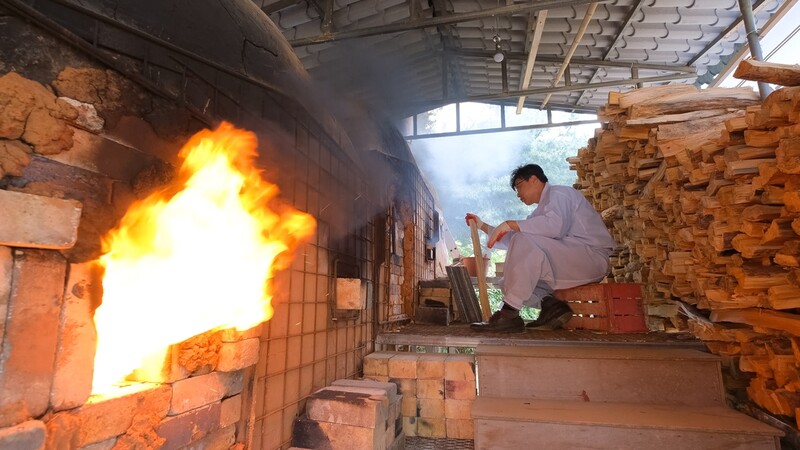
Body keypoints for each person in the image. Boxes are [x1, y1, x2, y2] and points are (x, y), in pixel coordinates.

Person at [466, 163, 617, 333]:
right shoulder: (540, 212)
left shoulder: (560, 193)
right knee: (507, 282)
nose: (518, 195)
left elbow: (555, 227)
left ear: (534, 179)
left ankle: (509, 314)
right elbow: (514, 241)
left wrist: (511, 224)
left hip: (591, 257)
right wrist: (481, 225)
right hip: (573, 259)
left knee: (523, 240)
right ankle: (552, 307)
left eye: (519, 187)